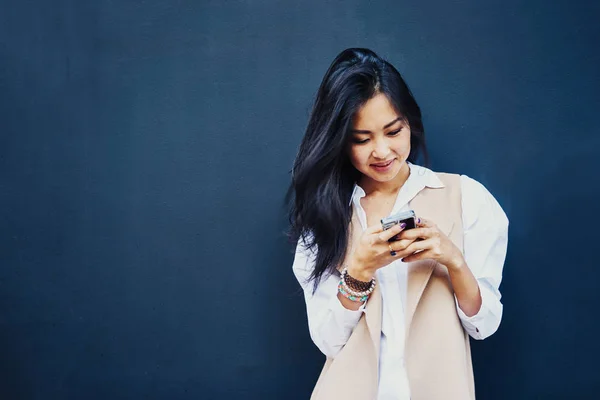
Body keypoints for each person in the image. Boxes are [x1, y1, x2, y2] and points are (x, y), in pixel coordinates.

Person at [288, 48, 509, 400]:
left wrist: (453, 259)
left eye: (393, 131)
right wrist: (358, 271)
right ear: (340, 142)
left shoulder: (466, 197)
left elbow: (484, 324)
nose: (382, 151)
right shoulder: (325, 217)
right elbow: (329, 342)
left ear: (411, 122)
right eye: (362, 139)